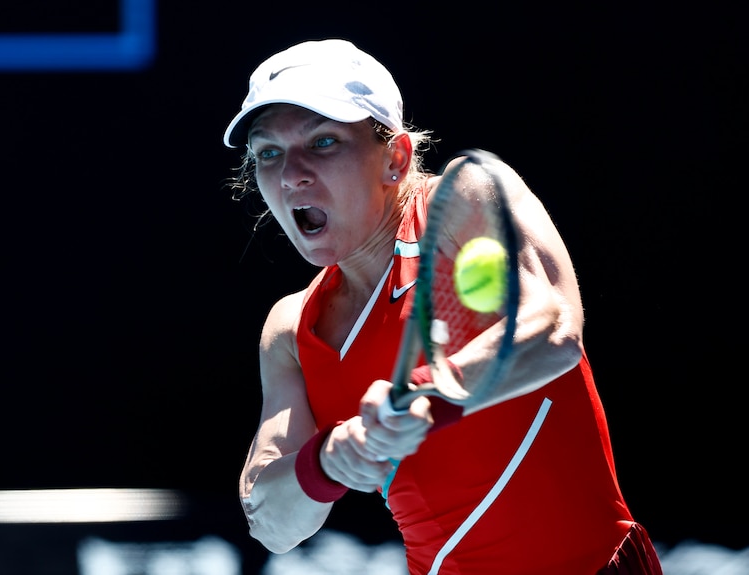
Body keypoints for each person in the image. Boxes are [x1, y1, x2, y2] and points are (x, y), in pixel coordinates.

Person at [222, 38, 663, 574]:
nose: (291, 174)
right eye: (269, 152)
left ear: (395, 158)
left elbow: (555, 331)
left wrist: (423, 399)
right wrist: (330, 460)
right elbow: (271, 524)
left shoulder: (465, 198)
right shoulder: (292, 329)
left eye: (323, 142)